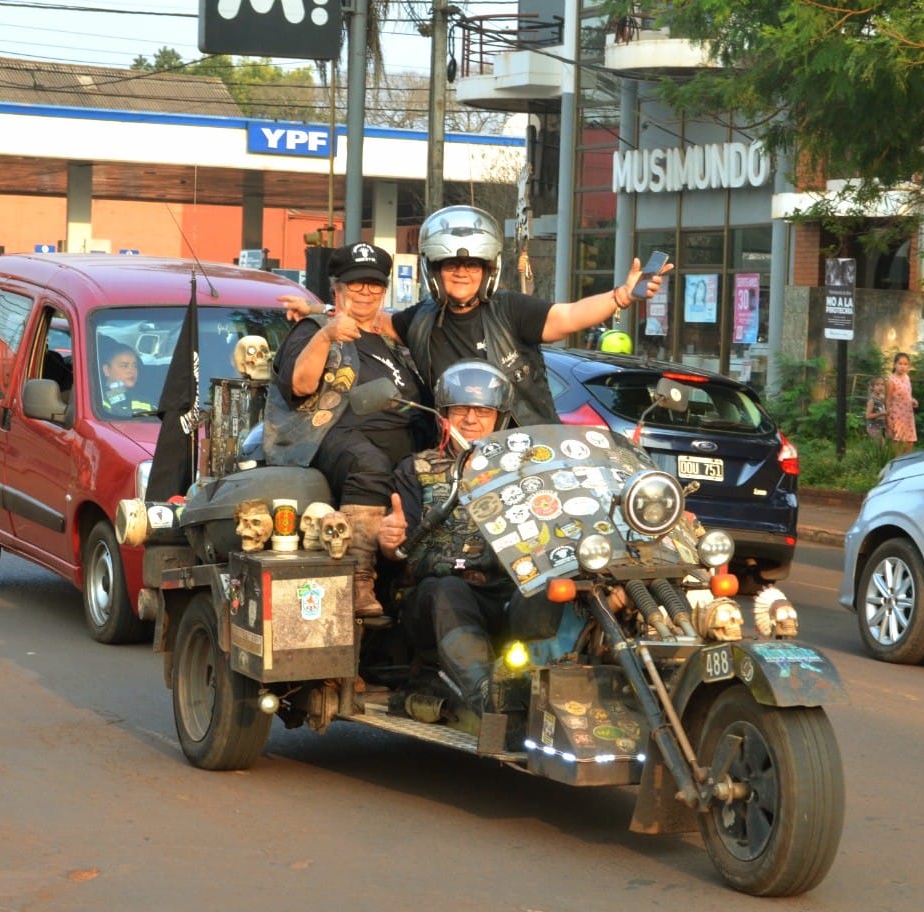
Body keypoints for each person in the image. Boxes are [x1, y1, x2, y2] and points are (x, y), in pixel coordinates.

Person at [280, 204, 671, 426]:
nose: (462, 273)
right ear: (434, 271)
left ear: (489, 270)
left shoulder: (511, 310)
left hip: (528, 447)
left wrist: (620, 296)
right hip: (458, 453)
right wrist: (320, 310)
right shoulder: (419, 320)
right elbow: (371, 316)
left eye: (473, 266)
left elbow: (567, 316)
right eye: (451, 265)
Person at [264, 242, 432, 616]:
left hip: (403, 444)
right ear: (337, 288)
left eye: (374, 285)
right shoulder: (313, 329)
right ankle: (358, 577)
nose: (366, 293)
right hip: (331, 437)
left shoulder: (390, 340)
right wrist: (325, 335)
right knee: (368, 463)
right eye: (356, 285)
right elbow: (300, 386)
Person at [377, 360, 517, 718]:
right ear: (444, 415)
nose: (471, 419)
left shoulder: (525, 470)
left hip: (507, 592)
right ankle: (490, 700)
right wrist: (389, 539)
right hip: (437, 599)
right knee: (448, 589)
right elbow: (397, 549)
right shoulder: (416, 469)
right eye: (460, 409)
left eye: (483, 410)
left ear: (499, 417)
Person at [99, 339, 153, 415]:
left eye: (135, 366)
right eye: (124, 366)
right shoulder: (98, 405)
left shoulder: (144, 403)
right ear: (107, 370)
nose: (131, 370)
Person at [885, 352, 918, 456]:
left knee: (910, 440)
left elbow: (907, 394)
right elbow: (888, 400)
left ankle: (906, 464)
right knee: (897, 441)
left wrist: (913, 400)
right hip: (896, 415)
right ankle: (895, 463)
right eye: (900, 363)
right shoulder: (891, 380)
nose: (903, 367)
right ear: (895, 365)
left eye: (905, 364)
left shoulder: (907, 377)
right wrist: (888, 418)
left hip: (908, 415)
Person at [864, 374, 887, 441]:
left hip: (880, 426)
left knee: (882, 446)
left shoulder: (882, 397)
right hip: (873, 427)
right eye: (877, 385)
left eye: (882, 384)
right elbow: (868, 416)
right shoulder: (872, 400)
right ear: (872, 387)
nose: (880, 387)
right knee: (880, 445)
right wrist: (881, 413)